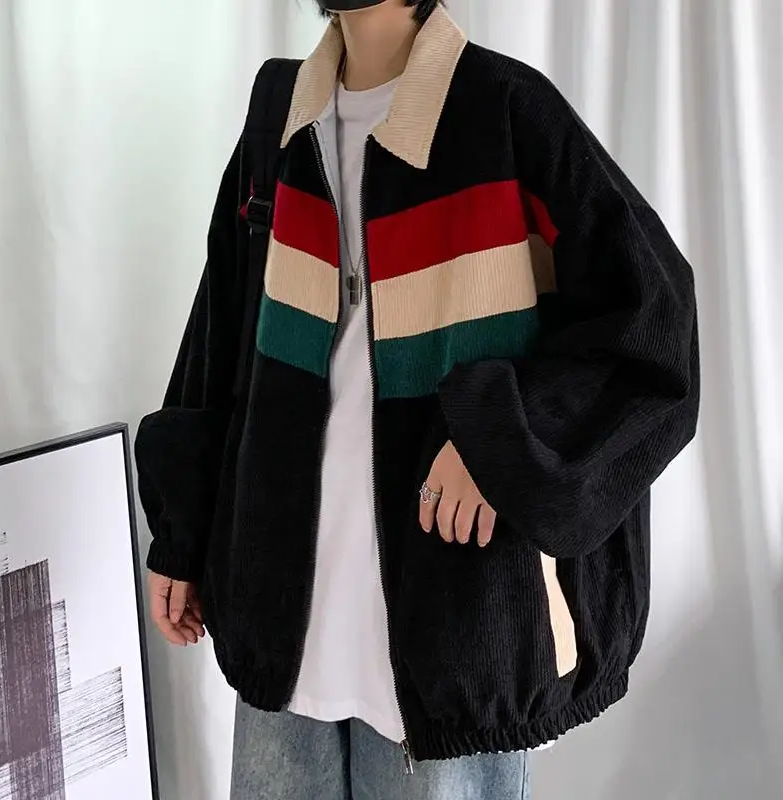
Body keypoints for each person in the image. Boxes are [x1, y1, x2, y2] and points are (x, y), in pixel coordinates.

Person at [134, 1, 700, 797]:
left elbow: (653, 328)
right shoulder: (280, 120)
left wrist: (502, 445)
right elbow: (220, 330)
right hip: (282, 621)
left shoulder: (505, 113)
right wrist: (183, 534)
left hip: (451, 635)